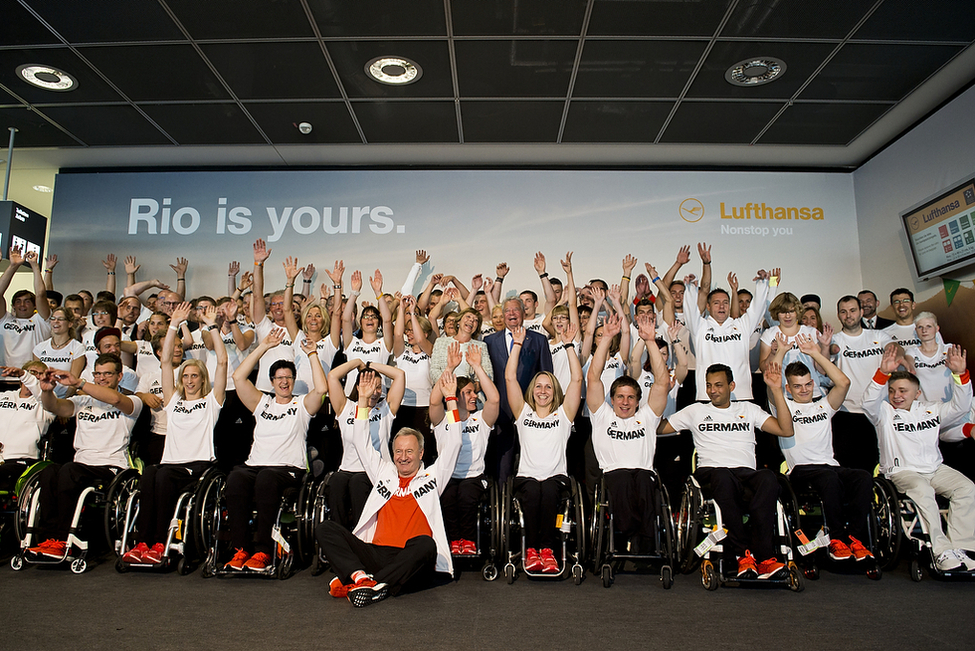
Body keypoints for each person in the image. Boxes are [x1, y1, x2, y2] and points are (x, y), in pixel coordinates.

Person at [316, 369, 462, 607]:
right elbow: (362, 444)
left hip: (409, 558)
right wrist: (362, 401)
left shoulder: (433, 476)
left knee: (425, 544)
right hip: (376, 553)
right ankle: (362, 577)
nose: (403, 457)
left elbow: (454, 443)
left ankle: (373, 583)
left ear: (421, 453)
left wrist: (451, 399)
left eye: (409, 452)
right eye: (398, 452)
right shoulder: (384, 473)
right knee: (326, 529)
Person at [658, 363, 794, 580]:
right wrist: (663, 392)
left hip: (745, 474)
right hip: (711, 473)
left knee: (768, 477)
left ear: (731, 386)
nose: (713, 390)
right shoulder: (696, 411)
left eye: (719, 385)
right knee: (722, 475)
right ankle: (742, 554)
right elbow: (657, 428)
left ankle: (765, 557)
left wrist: (777, 391)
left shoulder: (748, 409)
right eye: (709, 385)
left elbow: (786, 430)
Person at [121, 302, 227, 565]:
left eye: (195, 376)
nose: (190, 380)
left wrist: (213, 326)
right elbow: (165, 360)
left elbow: (223, 361)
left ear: (202, 379)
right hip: (170, 465)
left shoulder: (212, 402)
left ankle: (160, 543)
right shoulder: (173, 402)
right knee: (150, 473)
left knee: (164, 474)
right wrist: (172, 325)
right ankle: (142, 542)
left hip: (197, 466)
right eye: (187, 376)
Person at [863, 345, 975, 571]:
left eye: (903, 390)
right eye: (893, 390)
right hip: (902, 472)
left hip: (934, 469)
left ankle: (963, 549)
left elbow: (961, 406)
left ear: (918, 393)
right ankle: (941, 551)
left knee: (966, 487)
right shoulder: (884, 413)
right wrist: (882, 373)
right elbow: (867, 402)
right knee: (923, 490)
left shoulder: (932, 409)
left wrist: (960, 375)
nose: (897, 395)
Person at [224, 327, 327, 571]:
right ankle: (240, 549)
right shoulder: (262, 403)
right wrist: (263, 347)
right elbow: (238, 378)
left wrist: (312, 354)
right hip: (256, 466)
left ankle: (263, 550)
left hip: (287, 470)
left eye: (288, 377)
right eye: (279, 378)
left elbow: (322, 390)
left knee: (266, 478)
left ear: (293, 381)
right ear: (272, 382)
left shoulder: (301, 404)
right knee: (236, 477)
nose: (284, 381)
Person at [27, 354, 144, 558]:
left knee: (69, 471)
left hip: (111, 468)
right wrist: (47, 392)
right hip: (81, 466)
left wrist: (79, 382)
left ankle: (63, 540)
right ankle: (49, 539)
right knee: (49, 471)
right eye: (97, 374)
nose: (102, 378)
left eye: (108, 373)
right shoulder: (82, 401)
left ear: (119, 376)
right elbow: (54, 407)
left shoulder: (132, 401)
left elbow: (115, 399)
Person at [781, 335, 876, 565]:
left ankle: (855, 538)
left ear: (813, 383)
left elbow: (843, 383)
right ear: (788, 388)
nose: (803, 390)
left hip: (829, 467)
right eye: (797, 386)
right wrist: (780, 352)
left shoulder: (823, 405)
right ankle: (837, 539)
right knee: (829, 478)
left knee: (862, 477)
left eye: (807, 384)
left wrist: (815, 353)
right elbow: (772, 385)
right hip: (801, 471)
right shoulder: (784, 406)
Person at [506, 321, 582, 574]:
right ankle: (531, 551)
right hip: (526, 477)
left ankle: (547, 551)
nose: (542, 390)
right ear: (532, 390)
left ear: (555, 391)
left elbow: (577, 378)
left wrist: (569, 345)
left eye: (548, 386)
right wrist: (517, 345)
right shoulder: (522, 413)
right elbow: (509, 377)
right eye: (538, 386)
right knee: (533, 492)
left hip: (555, 478)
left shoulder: (564, 415)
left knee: (547, 491)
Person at [588, 312, 669, 549]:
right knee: (622, 478)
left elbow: (662, 383)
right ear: (611, 400)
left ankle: (644, 543)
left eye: (630, 397)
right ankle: (625, 535)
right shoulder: (602, 415)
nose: (625, 402)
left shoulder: (647, 416)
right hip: (613, 475)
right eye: (620, 397)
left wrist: (651, 342)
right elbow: (593, 378)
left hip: (644, 474)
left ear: (637, 400)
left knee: (645, 479)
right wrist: (606, 339)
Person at [430, 342, 499, 554]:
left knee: (467, 497)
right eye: (468, 392)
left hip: (474, 477)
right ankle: (452, 542)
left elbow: (494, 399)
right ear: (455, 395)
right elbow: (434, 402)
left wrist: (477, 367)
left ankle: (468, 541)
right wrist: (449, 369)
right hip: (447, 476)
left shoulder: (480, 419)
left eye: (473, 392)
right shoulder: (444, 419)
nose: (474, 396)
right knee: (449, 498)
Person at [683, 245, 772, 401]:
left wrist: (763, 284)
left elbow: (757, 309)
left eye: (725, 302)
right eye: (716, 303)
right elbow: (690, 311)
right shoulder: (700, 326)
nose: (722, 306)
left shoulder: (742, 325)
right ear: (708, 307)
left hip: (741, 395)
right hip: (707, 396)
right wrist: (690, 289)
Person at [327, 358, 406, 529]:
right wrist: (357, 363)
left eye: (378, 387)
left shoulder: (385, 409)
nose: (374, 391)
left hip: (375, 470)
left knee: (358, 484)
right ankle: (340, 536)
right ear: (358, 387)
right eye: (369, 385)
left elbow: (399, 375)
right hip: (347, 469)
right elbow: (333, 376)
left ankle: (361, 537)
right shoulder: (345, 408)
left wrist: (370, 366)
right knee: (336, 482)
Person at [485, 297, 554, 483]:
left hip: (532, 410)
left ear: (524, 313)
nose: (512, 314)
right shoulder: (490, 341)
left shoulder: (539, 340)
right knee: (503, 462)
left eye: (516, 310)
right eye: (508, 311)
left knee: (530, 458)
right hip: (502, 412)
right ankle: (502, 502)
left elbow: (547, 375)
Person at [829, 295, 895, 472]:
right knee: (850, 467)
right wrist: (826, 348)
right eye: (843, 312)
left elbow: (894, 348)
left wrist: (897, 353)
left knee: (881, 464)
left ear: (860, 312)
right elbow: (827, 358)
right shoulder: (835, 340)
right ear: (838, 315)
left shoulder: (879, 335)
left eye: (852, 310)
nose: (848, 315)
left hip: (879, 410)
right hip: (847, 412)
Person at [391, 294, 436, 462]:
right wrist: (402, 309)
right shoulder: (403, 352)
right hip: (402, 406)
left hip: (424, 407)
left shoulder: (432, 351)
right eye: (407, 330)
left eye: (412, 330)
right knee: (402, 450)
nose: (408, 333)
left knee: (424, 448)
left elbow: (420, 339)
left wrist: (413, 312)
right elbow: (397, 335)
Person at [0, 362, 54, 491]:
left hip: (21, 460)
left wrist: (25, 375)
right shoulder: (4, 396)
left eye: (40, 373)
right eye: (31, 372)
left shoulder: (47, 404)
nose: (35, 376)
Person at [0, 249, 51, 369]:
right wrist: (13, 266)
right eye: (18, 301)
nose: (22, 305)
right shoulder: (4, 319)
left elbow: (40, 294)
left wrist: (34, 265)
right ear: (13, 306)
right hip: (5, 377)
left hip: (32, 377)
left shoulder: (41, 320)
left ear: (35, 306)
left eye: (27, 301)